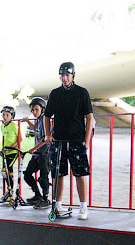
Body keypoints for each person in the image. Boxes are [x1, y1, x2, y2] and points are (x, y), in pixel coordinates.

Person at [44, 61, 95, 220]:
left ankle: (83, 206)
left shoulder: (81, 92)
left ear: (73, 75)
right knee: (58, 173)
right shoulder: (55, 93)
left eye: (67, 75)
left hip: (77, 139)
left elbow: (89, 117)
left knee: (80, 173)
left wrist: (86, 141)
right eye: (62, 75)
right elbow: (47, 115)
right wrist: (47, 134)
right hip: (58, 140)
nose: (64, 78)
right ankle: (58, 203)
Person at [23, 96, 52, 208]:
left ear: (43, 109)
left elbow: (45, 138)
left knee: (43, 178)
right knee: (27, 175)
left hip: (45, 153)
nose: (34, 112)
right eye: (32, 110)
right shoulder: (39, 120)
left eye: (36, 110)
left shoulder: (46, 120)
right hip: (37, 154)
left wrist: (34, 148)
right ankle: (37, 196)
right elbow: (36, 129)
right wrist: (27, 121)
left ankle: (45, 199)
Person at [0, 105, 22, 201]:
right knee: (5, 172)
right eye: (3, 114)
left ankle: (11, 191)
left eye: (7, 115)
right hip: (5, 153)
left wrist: (11, 147)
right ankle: (9, 190)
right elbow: (4, 138)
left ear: (12, 116)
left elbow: (19, 138)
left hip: (13, 152)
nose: (4, 117)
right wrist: (3, 148)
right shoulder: (2, 126)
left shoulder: (14, 126)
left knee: (7, 171)